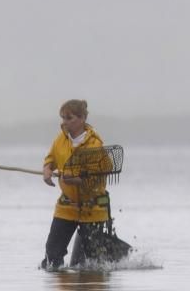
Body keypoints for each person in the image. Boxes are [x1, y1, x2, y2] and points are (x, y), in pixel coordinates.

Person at [40, 99, 128, 270]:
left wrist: (75, 180)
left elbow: (98, 179)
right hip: (66, 207)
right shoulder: (60, 140)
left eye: (68, 118)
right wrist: (47, 170)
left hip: (92, 209)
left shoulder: (96, 144)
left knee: (94, 262)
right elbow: (50, 159)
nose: (63, 122)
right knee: (52, 256)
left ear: (82, 119)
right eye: (63, 118)